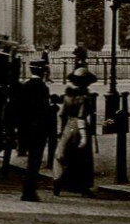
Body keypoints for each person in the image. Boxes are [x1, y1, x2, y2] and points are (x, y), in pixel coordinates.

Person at [11, 60, 54, 201]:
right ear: (43, 72)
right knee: (34, 161)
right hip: (38, 130)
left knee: (31, 160)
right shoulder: (42, 88)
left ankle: (27, 190)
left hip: (25, 129)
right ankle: (29, 192)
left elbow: (17, 108)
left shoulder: (25, 86)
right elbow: (43, 110)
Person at [53, 66, 98, 196]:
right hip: (79, 127)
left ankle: (58, 182)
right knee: (82, 158)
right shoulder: (85, 98)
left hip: (68, 126)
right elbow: (81, 117)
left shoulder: (68, 96)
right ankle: (83, 186)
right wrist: (84, 136)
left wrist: (61, 130)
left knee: (62, 154)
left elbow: (61, 114)